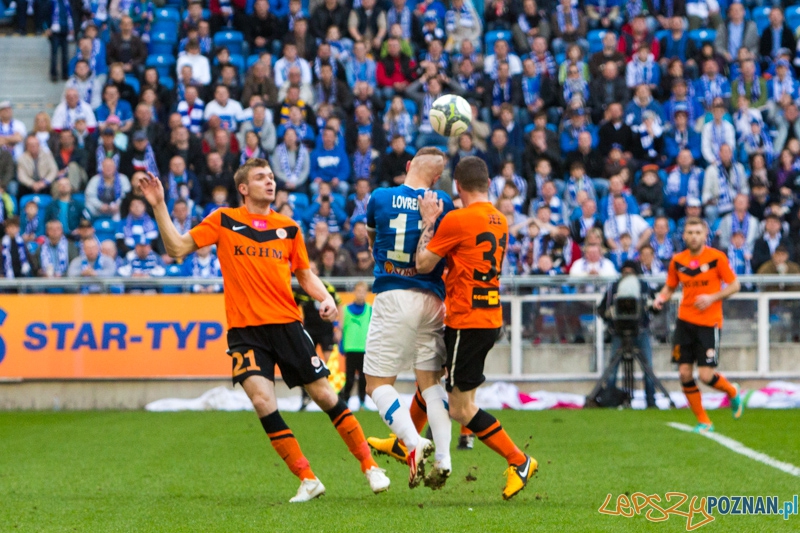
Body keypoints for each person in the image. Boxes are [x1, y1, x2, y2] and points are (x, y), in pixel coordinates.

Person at [138, 159, 389, 502]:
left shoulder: (289, 228)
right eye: (260, 177)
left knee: (325, 395)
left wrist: (325, 298)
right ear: (243, 188)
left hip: (286, 324)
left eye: (271, 177)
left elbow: (304, 273)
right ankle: (307, 477)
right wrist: (159, 205)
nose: (269, 182)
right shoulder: (224, 220)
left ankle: (369, 466)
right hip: (245, 332)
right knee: (261, 401)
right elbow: (177, 248)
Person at [415, 156, 537, 500]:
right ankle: (405, 442)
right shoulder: (499, 220)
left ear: (458, 186)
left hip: (467, 319)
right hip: (488, 315)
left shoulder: (457, 219)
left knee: (460, 408)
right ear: (488, 184)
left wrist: (429, 222)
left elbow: (423, 262)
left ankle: (519, 461)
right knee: (432, 376)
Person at [363, 148, 454, 490]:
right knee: (430, 382)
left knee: (378, 384)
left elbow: (373, 242)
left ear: (406, 167)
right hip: (432, 298)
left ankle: (414, 444)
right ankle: (444, 457)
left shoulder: (380, 197)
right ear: (435, 178)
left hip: (394, 293)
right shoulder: (443, 202)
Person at [653, 217, 743, 433]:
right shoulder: (678, 260)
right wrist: (661, 298)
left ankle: (731, 391)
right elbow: (670, 286)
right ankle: (704, 421)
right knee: (684, 373)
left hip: (709, 323)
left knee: (705, 376)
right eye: (690, 232)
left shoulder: (716, 258)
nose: (693, 236)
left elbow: (735, 285)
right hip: (685, 322)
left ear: (704, 235)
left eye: (697, 232)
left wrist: (712, 297)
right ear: (684, 236)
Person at [597, 260, 656, 408]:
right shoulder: (613, 288)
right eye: (625, 272)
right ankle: (609, 400)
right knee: (612, 368)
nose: (628, 275)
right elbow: (601, 308)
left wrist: (648, 309)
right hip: (618, 332)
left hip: (640, 331)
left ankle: (651, 400)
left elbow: (656, 306)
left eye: (631, 272)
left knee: (647, 367)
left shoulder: (644, 287)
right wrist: (608, 315)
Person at [293, 266, 342, 411]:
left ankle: (336, 396)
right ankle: (305, 397)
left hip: (326, 331)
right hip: (309, 331)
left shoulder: (327, 288)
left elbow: (339, 304)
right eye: (310, 269)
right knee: (306, 363)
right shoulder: (301, 290)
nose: (312, 271)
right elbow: (292, 307)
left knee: (331, 363)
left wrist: (338, 327)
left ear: (318, 272)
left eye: (315, 269)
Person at [339, 281, 372, 410]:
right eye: (358, 291)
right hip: (351, 348)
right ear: (354, 292)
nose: (361, 294)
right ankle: (346, 399)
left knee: (364, 378)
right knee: (350, 378)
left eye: (363, 292)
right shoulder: (345, 309)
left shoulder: (370, 309)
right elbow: (341, 327)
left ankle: (362, 401)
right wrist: (341, 344)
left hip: (364, 349)